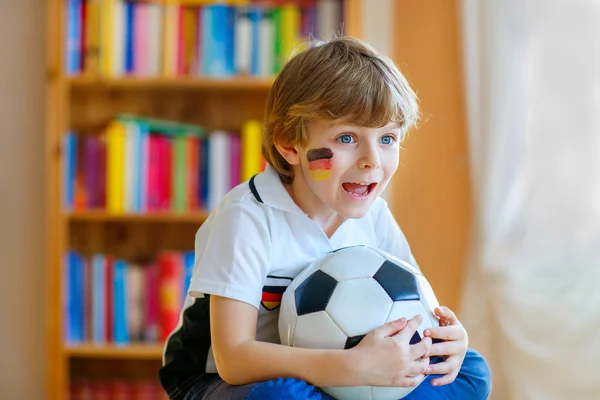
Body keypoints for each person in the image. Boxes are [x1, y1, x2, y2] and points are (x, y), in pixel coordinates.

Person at [159, 36, 492, 400]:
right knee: (282, 396)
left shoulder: (375, 215)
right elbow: (233, 359)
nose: (372, 161)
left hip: (337, 374)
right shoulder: (247, 217)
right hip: (223, 380)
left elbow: (413, 314)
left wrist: (443, 343)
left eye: (387, 139)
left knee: (471, 371)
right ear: (290, 144)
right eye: (347, 137)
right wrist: (352, 368)